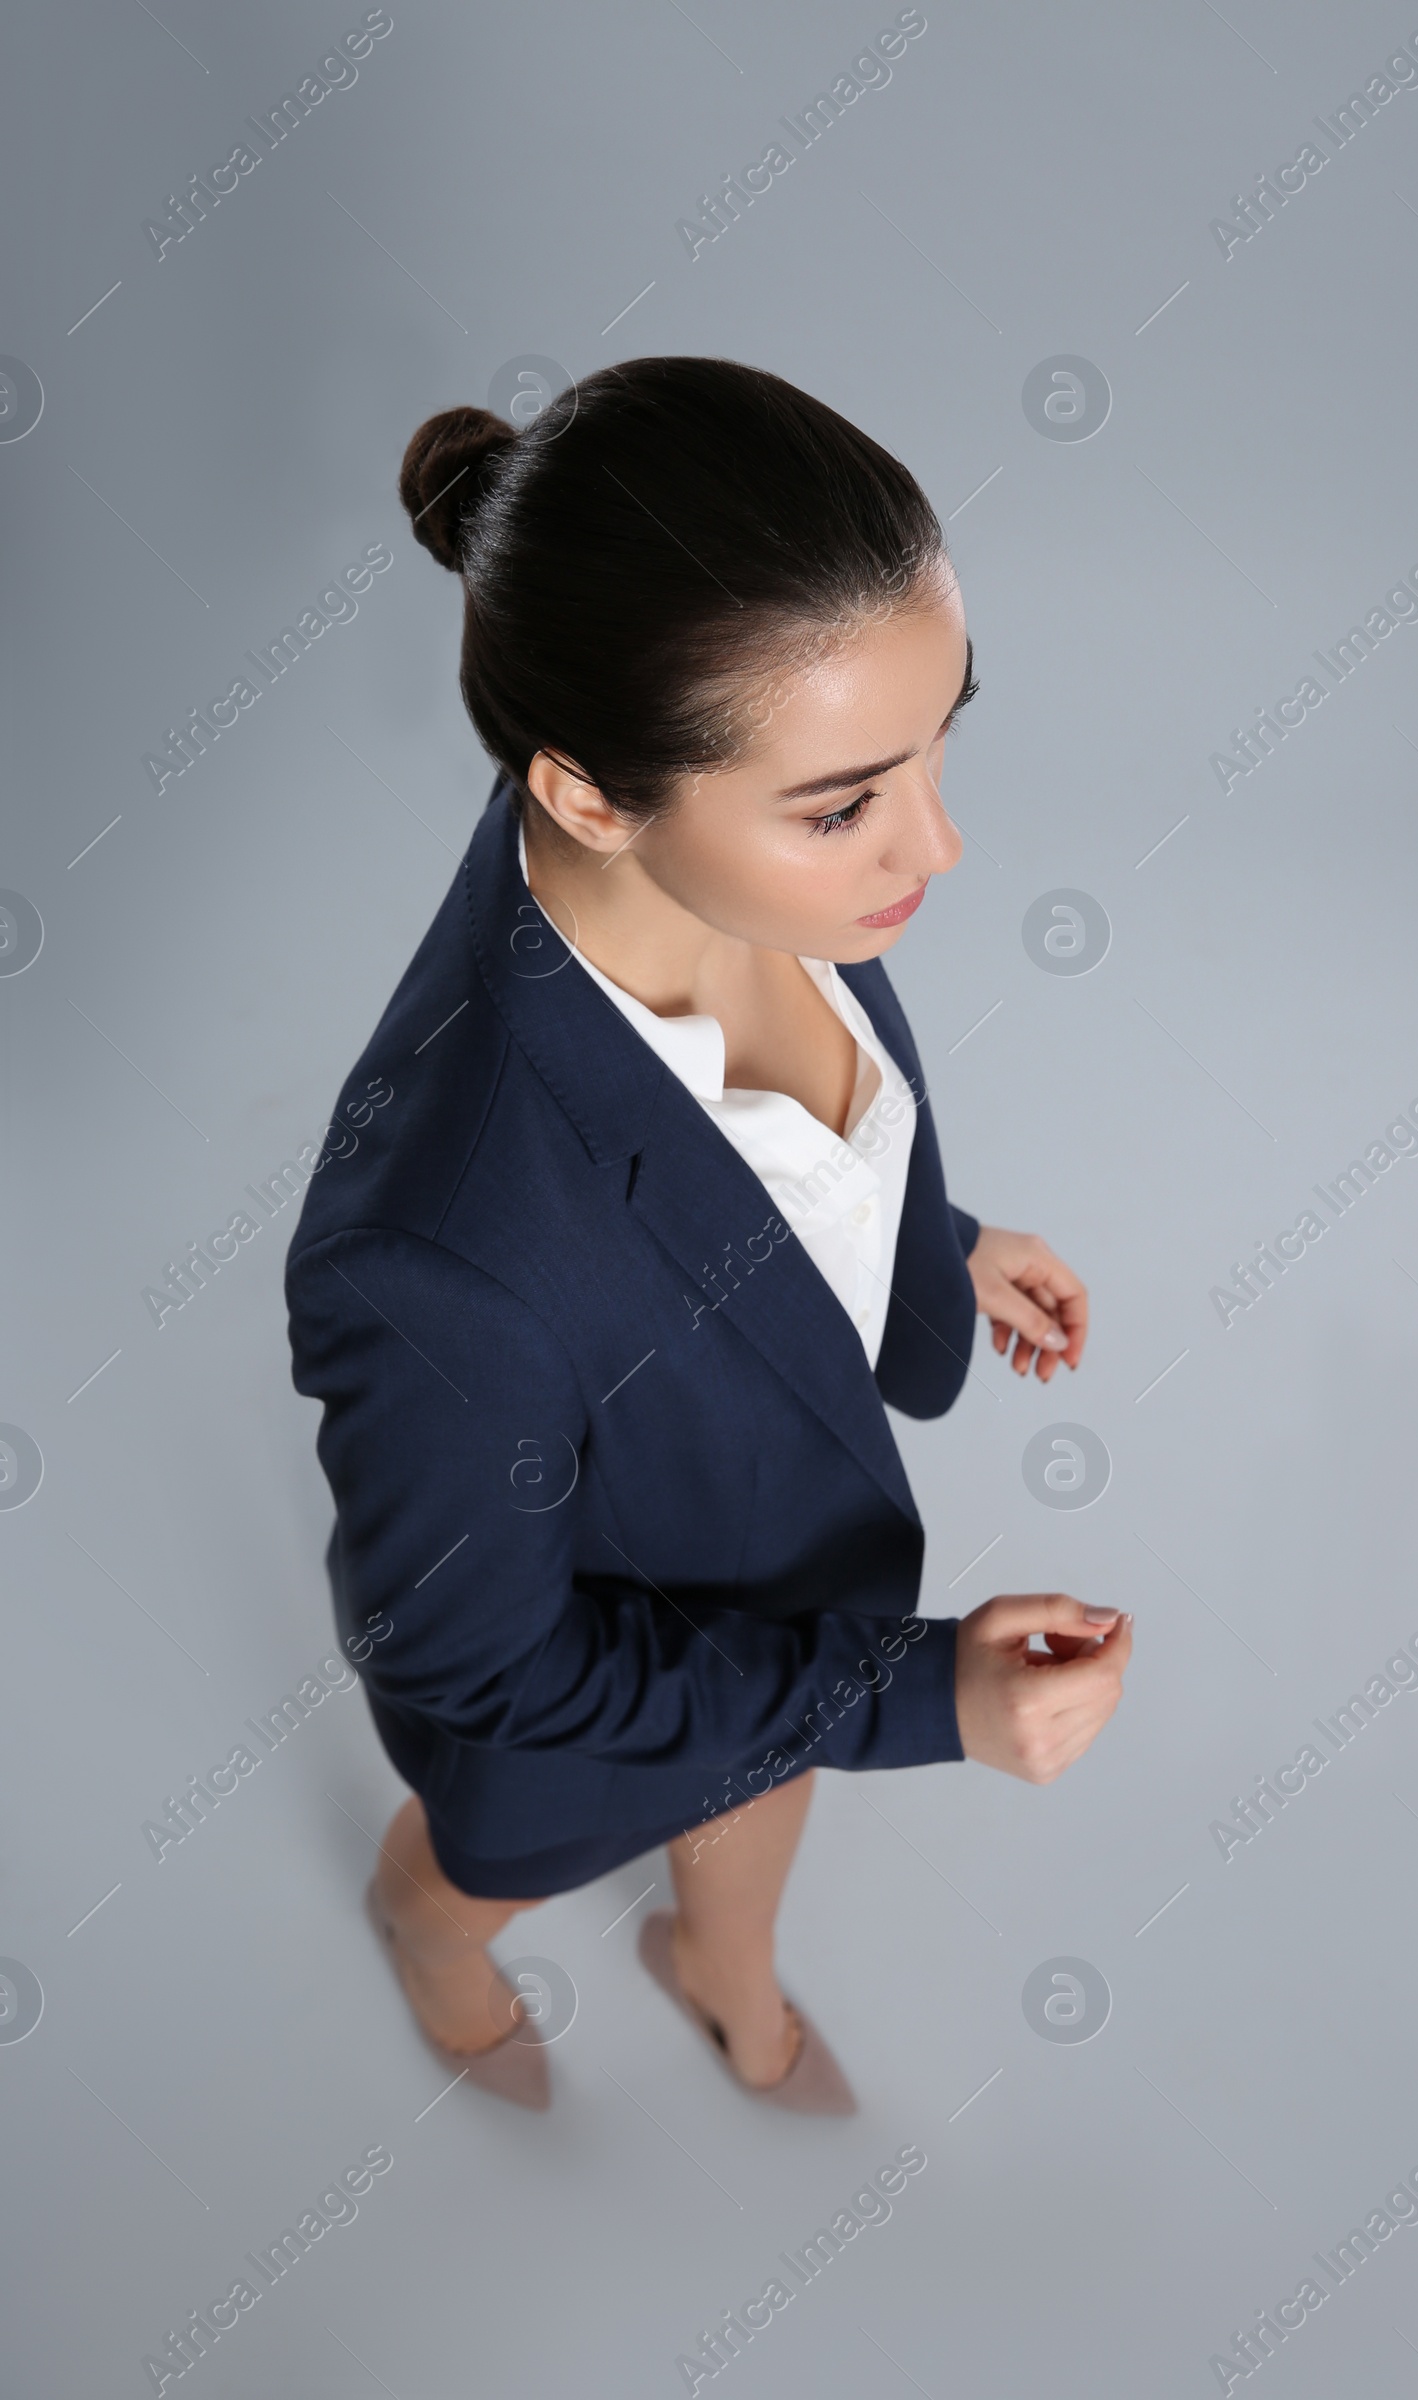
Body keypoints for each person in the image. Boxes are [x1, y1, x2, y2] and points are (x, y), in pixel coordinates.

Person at [285, 356, 1131, 2115]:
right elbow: (482, 1664)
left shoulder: (716, 838)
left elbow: (753, 1192)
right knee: (479, 1863)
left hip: (781, 1587)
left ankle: (718, 1963)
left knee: (760, 1797)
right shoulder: (432, 1260)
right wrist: (927, 1703)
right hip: (582, 1719)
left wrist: (937, 1240)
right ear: (588, 792)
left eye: (939, 740)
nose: (943, 846)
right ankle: (425, 1938)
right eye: (847, 803)